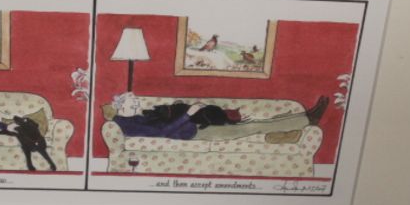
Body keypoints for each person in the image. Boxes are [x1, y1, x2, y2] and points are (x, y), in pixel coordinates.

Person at [111, 92, 328, 141]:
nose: (138, 104)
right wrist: (188, 114)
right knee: (252, 127)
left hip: (195, 126)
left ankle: (303, 119)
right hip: (195, 133)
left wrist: (181, 109)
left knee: (256, 123)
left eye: (136, 101)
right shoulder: (126, 124)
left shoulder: (134, 118)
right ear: (121, 107)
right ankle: (306, 120)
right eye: (133, 103)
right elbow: (163, 132)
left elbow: (162, 121)